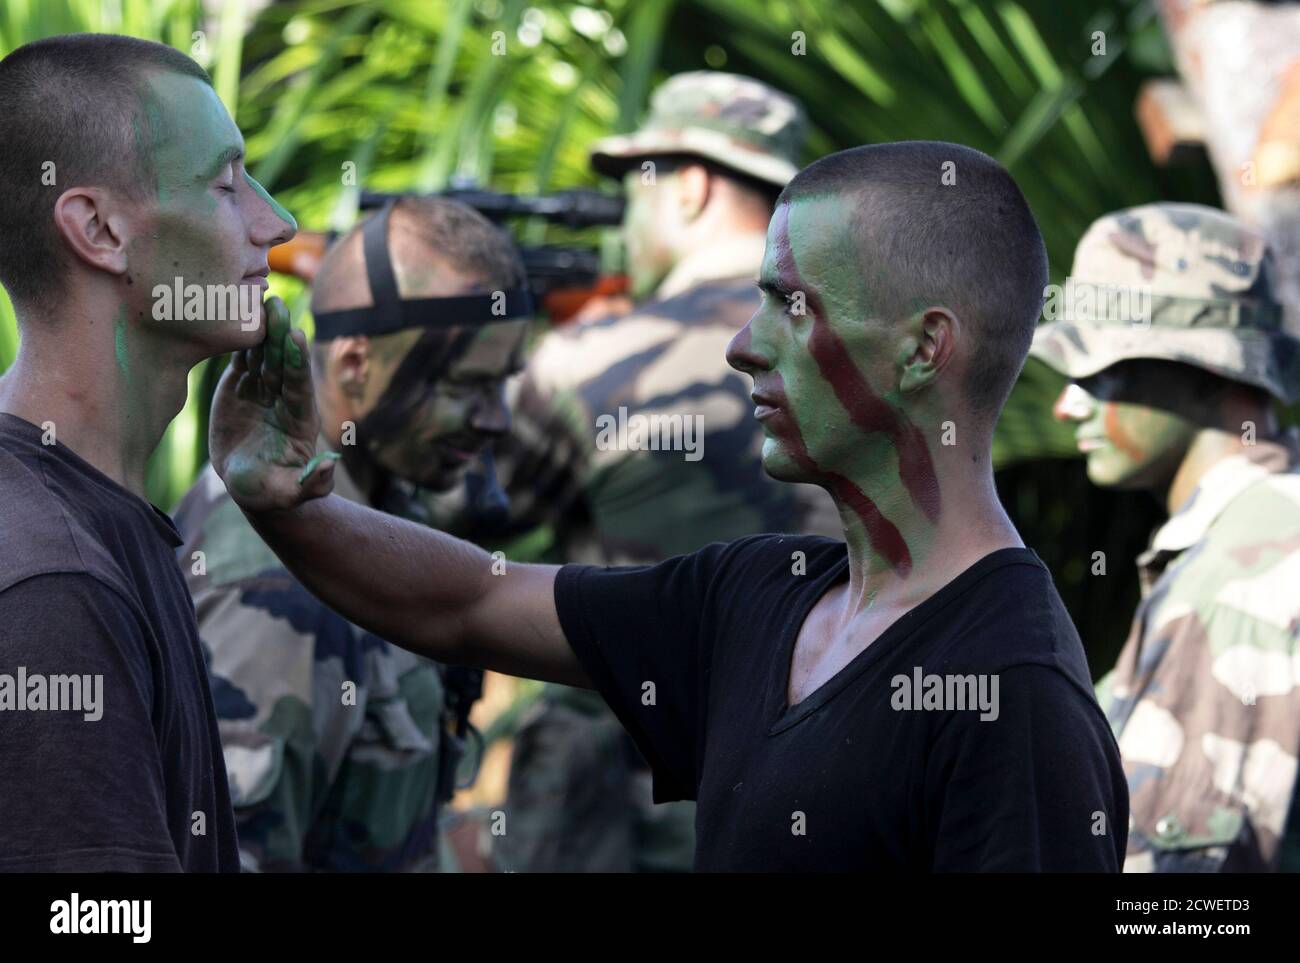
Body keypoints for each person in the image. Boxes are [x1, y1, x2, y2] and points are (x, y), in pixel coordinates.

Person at [207, 141, 1128, 871]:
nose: (742, 344)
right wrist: (289, 504)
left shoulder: (1016, 695)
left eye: (791, 306)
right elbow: (469, 600)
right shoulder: (761, 595)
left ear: (926, 348)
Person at [481, 70, 839, 872]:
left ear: (691, 189)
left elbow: (450, 513)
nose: (622, 222)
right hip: (825, 793)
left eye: (633, 191)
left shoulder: (592, 359)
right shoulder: (865, 363)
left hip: (619, 817)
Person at [0, 33, 295, 870]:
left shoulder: (88, 512)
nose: (277, 222)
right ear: (98, 228)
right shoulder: (52, 584)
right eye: (227, 185)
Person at [172, 196, 529, 871]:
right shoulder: (278, 585)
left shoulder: (375, 511)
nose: (497, 419)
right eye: (470, 385)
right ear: (357, 365)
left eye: (504, 384)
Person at [1030, 201, 1300, 871]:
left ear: (1205, 368)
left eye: (1098, 371)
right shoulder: (1251, 530)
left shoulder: (1251, 561)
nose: (1068, 404)